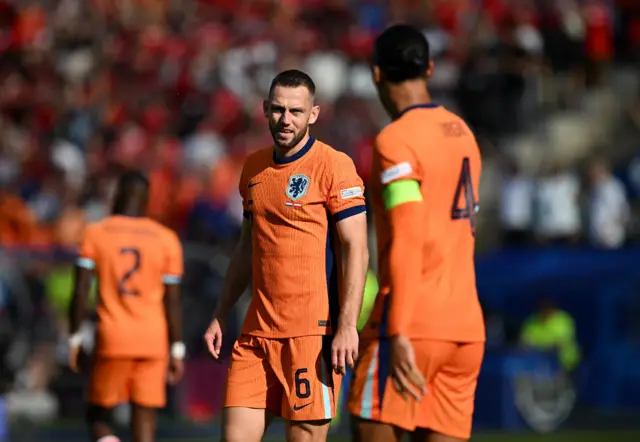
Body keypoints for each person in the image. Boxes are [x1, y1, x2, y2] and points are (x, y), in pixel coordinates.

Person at [204, 69, 369, 442]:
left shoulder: (333, 166)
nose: (285, 119)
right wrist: (220, 313)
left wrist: (346, 327)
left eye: (296, 111)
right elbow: (247, 247)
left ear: (313, 114)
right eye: (278, 109)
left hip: (312, 337)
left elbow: (355, 247)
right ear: (265, 109)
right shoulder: (253, 169)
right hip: (255, 336)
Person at [347, 25, 486, 442]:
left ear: (376, 75)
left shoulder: (396, 140)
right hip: (464, 330)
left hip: (413, 325)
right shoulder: (463, 133)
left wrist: (400, 329)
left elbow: (408, 235)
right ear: (428, 68)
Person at [68, 170, 185, 442]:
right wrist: (177, 348)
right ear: (147, 200)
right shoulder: (166, 239)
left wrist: (74, 338)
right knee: (144, 417)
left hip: (113, 337)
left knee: (98, 416)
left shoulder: (96, 233)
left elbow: (81, 291)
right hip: (153, 340)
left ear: (118, 194)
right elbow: (173, 300)